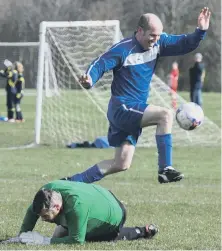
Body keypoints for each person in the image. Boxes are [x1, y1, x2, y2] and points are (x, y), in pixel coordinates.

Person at [64, 7, 211, 184]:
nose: (156, 40)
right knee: (165, 115)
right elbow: (100, 64)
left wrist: (201, 30)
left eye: (158, 36)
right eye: (152, 35)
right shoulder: (123, 49)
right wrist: (89, 78)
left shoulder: (159, 43)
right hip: (122, 107)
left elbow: (185, 43)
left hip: (132, 110)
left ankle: (74, 181)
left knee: (121, 163)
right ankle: (165, 168)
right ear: (140, 31)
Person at [1, 180, 158, 245]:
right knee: (61, 233)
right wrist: (21, 236)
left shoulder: (76, 207)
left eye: (44, 216)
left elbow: (77, 240)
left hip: (115, 215)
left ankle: (141, 231)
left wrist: (44, 240)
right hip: (102, 195)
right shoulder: (47, 190)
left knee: (62, 237)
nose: (42, 219)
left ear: (56, 207)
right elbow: (31, 211)